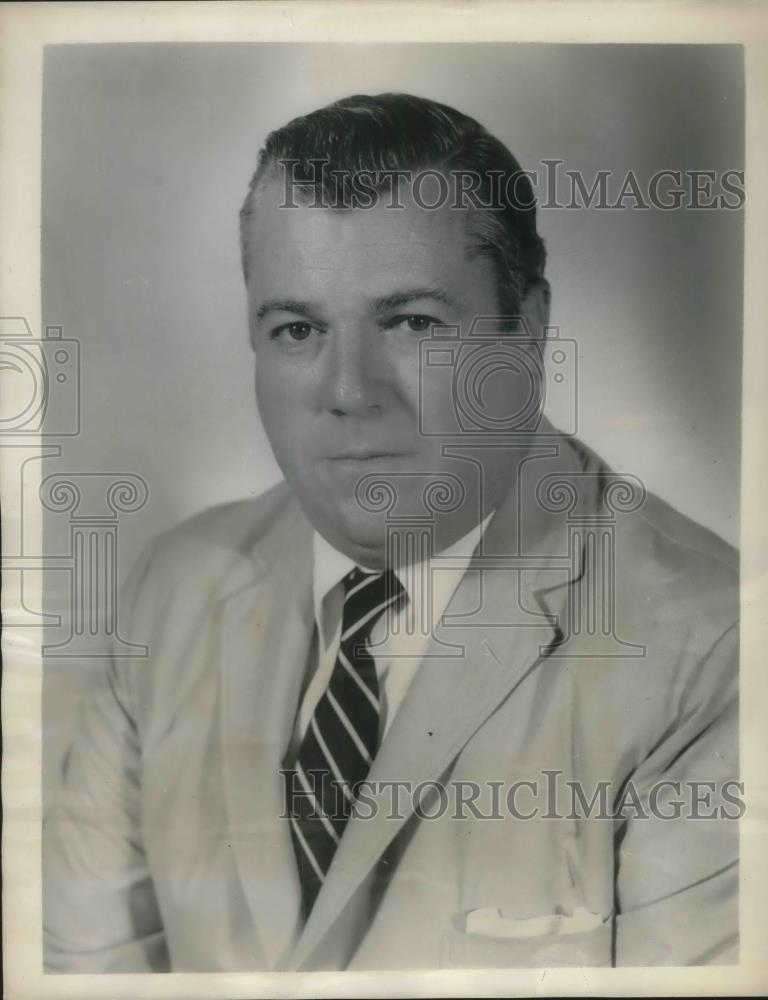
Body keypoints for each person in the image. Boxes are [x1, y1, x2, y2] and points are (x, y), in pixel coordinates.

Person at [43, 93, 739, 972]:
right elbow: (81, 973)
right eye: (297, 329)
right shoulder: (173, 590)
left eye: (411, 323)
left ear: (526, 331)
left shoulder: (714, 650)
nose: (349, 392)